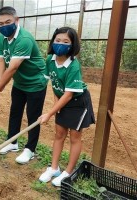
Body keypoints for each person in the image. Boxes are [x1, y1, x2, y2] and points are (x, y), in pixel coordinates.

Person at [0, 6, 48, 164]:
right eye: (0, 24)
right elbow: (1, 59)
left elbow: (13, 67)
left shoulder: (24, 39)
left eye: (8, 22)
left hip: (35, 81)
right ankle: (12, 142)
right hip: (20, 82)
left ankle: (30, 149)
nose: (4, 26)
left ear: (17, 20)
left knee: (33, 116)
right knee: (15, 112)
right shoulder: (1, 37)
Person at [38, 27, 95, 187]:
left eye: (65, 42)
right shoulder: (50, 59)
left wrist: (49, 113)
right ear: (52, 41)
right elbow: (54, 83)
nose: (60, 44)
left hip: (77, 103)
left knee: (74, 137)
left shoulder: (73, 66)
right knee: (59, 134)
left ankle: (68, 172)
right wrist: (56, 104)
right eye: (57, 40)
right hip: (62, 100)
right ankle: (54, 168)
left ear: (72, 45)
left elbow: (69, 94)